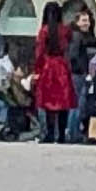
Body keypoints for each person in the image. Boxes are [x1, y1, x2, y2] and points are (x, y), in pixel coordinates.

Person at [31, 15, 76, 145]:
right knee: (63, 102)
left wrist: (37, 70)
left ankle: (50, 133)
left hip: (48, 67)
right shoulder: (65, 30)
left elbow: (39, 52)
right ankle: (61, 134)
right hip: (62, 66)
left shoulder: (44, 31)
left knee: (48, 103)